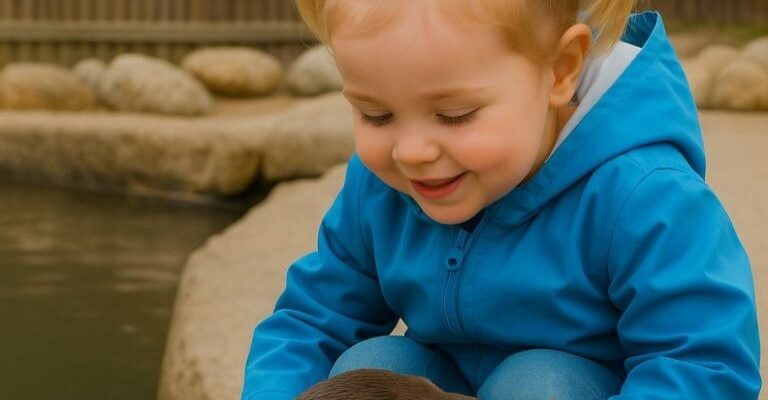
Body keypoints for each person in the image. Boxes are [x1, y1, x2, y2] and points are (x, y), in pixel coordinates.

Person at [242, 1, 762, 399]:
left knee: (535, 383)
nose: (413, 151)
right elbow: (313, 319)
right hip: (446, 377)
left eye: (455, 114)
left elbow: (702, 363)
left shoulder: (643, 195)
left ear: (560, 70)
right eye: (376, 116)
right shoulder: (383, 184)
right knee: (369, 369)